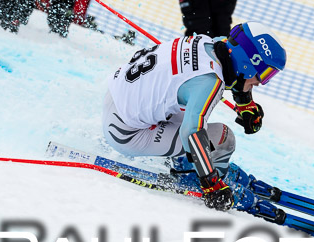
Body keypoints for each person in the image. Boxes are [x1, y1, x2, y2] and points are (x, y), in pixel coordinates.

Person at [102, 22, 287, 221]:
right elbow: (191, 132)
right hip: (125, 132)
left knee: (187, 104)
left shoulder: (208, 43)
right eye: (265, 74)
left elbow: (231, 64)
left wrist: (245, 103)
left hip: (116, 97)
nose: (261, 82)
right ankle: (193, 175)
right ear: (249, 63)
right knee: (224, 138)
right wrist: (211, 184)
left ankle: (196, 164)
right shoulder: (210, 82)